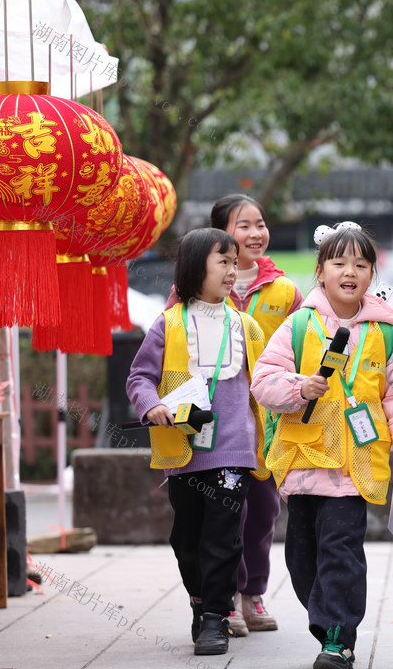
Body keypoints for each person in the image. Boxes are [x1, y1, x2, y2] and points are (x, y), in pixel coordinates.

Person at [250, 222, 393, 669]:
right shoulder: (297, 326)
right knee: (301, 556)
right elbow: (263, 381)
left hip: (353, 470)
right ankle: (327, 622)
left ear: (372, 275)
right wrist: (298, 387)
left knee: (341, 551)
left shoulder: (387, 336)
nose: (350, 271)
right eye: (339, 262)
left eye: (361, 264)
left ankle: (339, 638)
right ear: (320, 271)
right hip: (303, 462)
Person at [165, 194, 303, 634]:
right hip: (204, 428)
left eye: (261, 224)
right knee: (218, 518)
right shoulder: (183, 294)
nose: (256, 233)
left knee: (262, 512)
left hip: (265, 423)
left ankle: (252, 594)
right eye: (244, 225)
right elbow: (166, 351)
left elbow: (303, 343)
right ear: (220, 235)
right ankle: (219, 601)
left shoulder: (284, 291)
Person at [127, 228, 266, 656]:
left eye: (233, 261)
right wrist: (150, 406)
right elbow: (139, 377)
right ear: (194, 267)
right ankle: (201, 600)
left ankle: (215, 620)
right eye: (222, 261)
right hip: (183, 450)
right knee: (186, 538)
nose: (231, 270)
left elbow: (266, 383)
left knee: (223, 536)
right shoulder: (167, 324)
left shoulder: (246, 325)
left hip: (233, 450)